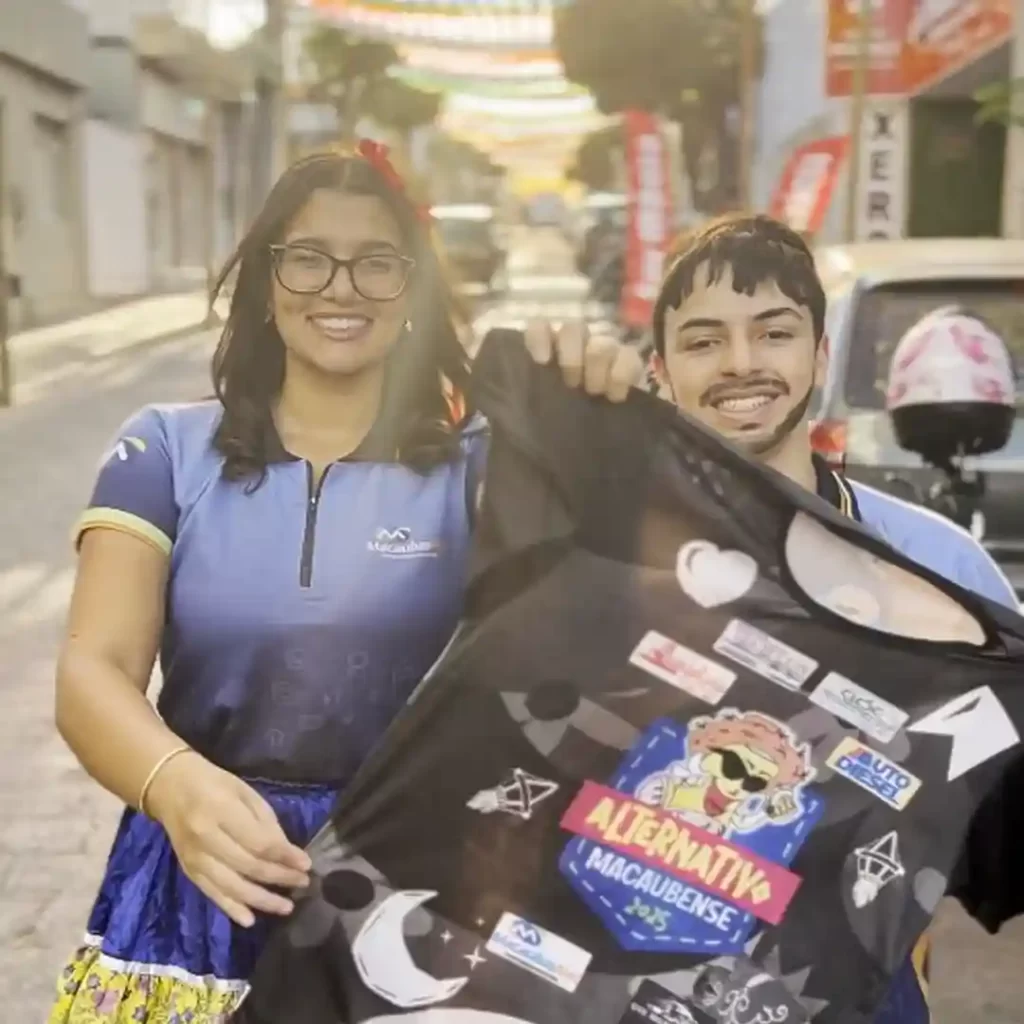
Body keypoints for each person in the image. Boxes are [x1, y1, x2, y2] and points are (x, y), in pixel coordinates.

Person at [48, 143, 644, 1023]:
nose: (341, 286)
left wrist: (605, 400)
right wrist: (177, 787)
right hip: (208, 873)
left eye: (376, 262)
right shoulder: (163, 451)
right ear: (265, 279)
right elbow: (91, 669)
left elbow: (627, 577)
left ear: (413, 290)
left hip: (416, 888)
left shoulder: (486, 465)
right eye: (309, 257)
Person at [541, 212, 1018, 1024]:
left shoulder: (937, 570)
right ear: (660, 370)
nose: (741, 364)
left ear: (820, 357)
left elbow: (999, 832)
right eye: (703, 341)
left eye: (774, 333)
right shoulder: (592, 556)